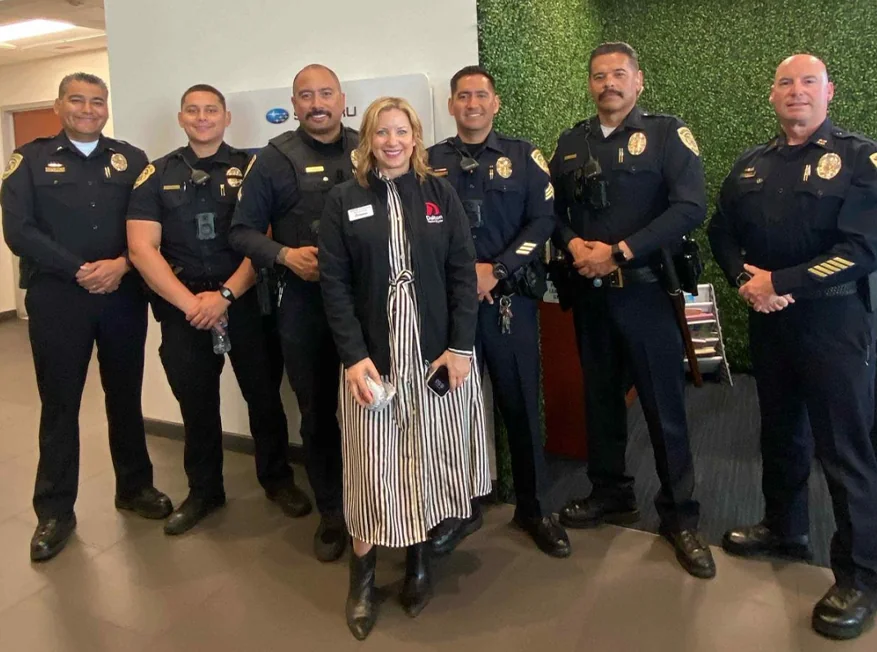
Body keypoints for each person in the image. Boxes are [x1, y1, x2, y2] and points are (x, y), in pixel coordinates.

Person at [709, 53, 877, 640]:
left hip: (833, 322)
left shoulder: (860, 159)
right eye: (785, 82)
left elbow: (863, 249)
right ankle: (785, 529)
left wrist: (780, 282)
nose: (796, 91)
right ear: (773, 94)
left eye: (809, 82)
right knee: (780, 432)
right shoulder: (752, 164)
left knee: (844, 448)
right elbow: (721, 230)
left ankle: (860, 575)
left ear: (830, 92)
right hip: (770, 321)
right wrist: (745, 280)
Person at [320, 96, 491, 640]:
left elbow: (463, 272)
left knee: (425, 457)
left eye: (401, 132)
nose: (391, 142)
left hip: (435, 354)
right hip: (372, 357)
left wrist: (460, 348)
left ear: (415, 137)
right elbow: (334, 286)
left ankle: (419, 562)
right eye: (381, 132)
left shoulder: (440, 194)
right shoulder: (343, 199)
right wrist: (353, 356)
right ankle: (363, 578)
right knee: (371, 466)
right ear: (367, 140)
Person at [549, 42, 715, 578]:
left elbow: (690, 207)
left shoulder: (667, 134)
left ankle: (680, 516)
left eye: (619, 74)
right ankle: (611, 493)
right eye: (599, 76)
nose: (609, 84)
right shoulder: (571, 142)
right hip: (591, 294)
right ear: (589, 84)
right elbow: (552, 210)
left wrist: (620, 251)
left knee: (664, 408)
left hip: (644, 293)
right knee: (600, 400)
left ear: (638, 81)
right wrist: (573, 243)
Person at [0, 72, 172, 562]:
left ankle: (134, 487)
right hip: (58, 297)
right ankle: (55, 511)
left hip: (121, 293)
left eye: (97, 101)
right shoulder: (29, 160)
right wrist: (79, 269)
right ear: (59, 106)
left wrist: (121, 265)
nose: (88, 109)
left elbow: (149, 225)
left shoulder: (132, 160)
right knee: (60, 404)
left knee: (125, 395)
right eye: (77, 100)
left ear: (106, 107)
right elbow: (19, 231)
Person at [126, 84, 303, 535]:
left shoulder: (254, 168)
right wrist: (193, 304)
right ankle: (204, 491)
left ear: (227, 118)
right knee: (196, 404)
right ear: (181, 118)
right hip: (184, 309)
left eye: (211, 110)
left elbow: (265, 236)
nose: (202, 117)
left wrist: (224, 296)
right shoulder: (156, 174)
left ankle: (277, 480)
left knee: (264, 397)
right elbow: (142, 248)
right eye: (193, 110)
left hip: (245, 302)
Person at [427, 65, 569, 558]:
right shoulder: (428, 162)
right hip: (452, 309)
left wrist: (498, 269)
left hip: (509, 303)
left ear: (495, 103)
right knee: (452, 412)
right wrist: (467, 276)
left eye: (481, 95)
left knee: (521, 407)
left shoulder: (524, 156)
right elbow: (420, 231)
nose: (472, 104)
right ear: (451, 105)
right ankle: (455, 508)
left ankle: (534, 508)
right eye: (463, 96)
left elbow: (543, 220)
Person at [229, 64, 355, 561]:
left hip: (367, 305)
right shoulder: (274, 160)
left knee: (376, 408)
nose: (316, 103)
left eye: (325, 93)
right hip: (305, 307)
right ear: (294, 104)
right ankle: (333, 513)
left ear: (342, 99)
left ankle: (380, 504)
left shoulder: (369, 148)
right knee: (318, 413)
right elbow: (241, 232)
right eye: (306, 95)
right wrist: (284, 255)